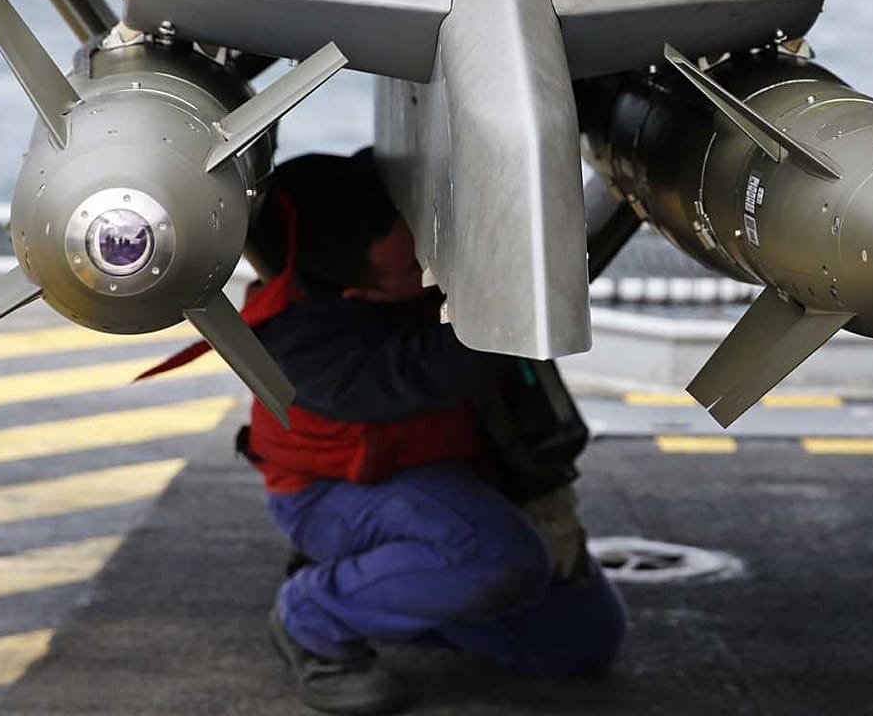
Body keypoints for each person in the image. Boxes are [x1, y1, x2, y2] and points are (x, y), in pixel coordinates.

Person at [142, 150, 626, 715]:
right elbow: (444, 366)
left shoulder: (380, 222)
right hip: (336, 495)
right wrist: (546, 277)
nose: (428, 266)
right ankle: (313, 615)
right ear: (361, 293)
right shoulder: (303, 351)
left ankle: (391, 587)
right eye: (412, 268)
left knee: (580, 640)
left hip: (446, 475)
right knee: (499, 557)